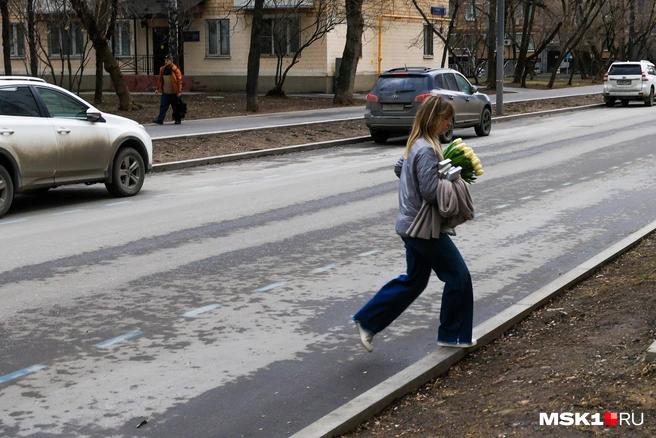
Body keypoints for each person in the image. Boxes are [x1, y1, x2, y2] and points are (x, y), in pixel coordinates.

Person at [352, 95, 475, 353]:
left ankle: (367, 320)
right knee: (459, 276)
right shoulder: (428, 149)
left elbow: (400, 169)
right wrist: (454, 178)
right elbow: (431, 193)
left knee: (414, 281)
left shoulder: (414, 144)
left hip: (409, 225)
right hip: (422, 228)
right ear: (434, 120)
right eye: (446, 118)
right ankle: (452, 336)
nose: (449, 123)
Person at [153, 54, 183, 125]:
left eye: (167, 60)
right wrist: (157, 89)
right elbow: (160, 80)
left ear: (171, 61)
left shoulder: (175, 69)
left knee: (175, 106)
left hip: (174, 92)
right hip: (165, 92)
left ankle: (177, 119)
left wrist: (179, 91)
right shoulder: (162, 69)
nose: (166, 62)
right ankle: (160, 120)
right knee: (163, 106)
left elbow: (179, 80)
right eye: (165, 60)